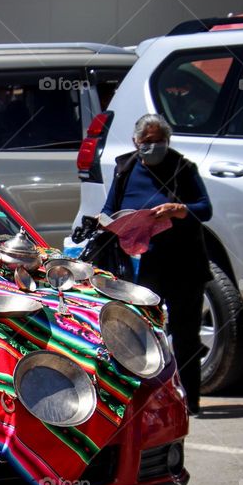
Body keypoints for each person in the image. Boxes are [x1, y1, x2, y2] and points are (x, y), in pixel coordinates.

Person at [100, 113, 212, 415]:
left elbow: (205, 209)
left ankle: (190, 401)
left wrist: (180, 210)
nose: (154, 147)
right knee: (144, 331)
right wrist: (113, 223)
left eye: (159, 141)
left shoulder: (182, 167)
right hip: (145, 262)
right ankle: (148, 401)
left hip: (185, 262)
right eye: (147, 142)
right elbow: (109, 209)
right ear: (137, 142)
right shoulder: (125, 168)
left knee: (186, 334)